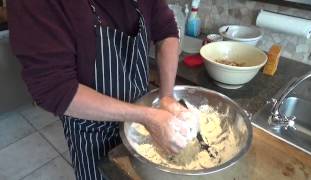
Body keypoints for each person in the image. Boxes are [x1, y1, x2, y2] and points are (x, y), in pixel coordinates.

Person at [8, 0, 197, 179]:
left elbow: (166, 30)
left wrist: (167, 97)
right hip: (92, 133)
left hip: (142, 123)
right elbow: (55, 88)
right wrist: (147, 117)